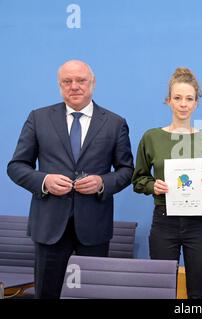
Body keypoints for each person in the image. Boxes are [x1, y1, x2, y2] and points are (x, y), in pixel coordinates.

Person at [7, 60, 134, 298]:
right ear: (59, 85)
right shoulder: (38, 118)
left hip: (94, 227)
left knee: (92, 294)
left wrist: (102, 183)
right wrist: (44, 181)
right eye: (67, 81)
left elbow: (127, 170)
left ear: (93, 83)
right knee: (46, 293)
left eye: (80, 80)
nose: (74, 86)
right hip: (49, 226)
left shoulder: (115, 123)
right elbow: (16, 166)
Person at [132, 67, 202, 299]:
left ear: (196, 103)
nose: (183, 104)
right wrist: (153, 186)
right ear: (168, 101)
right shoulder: (151, 137)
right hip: (164, 221)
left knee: (198, 293)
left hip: (199, 224)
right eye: (177, 98)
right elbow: (138, 179)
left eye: (189, 99)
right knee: (162, 290)